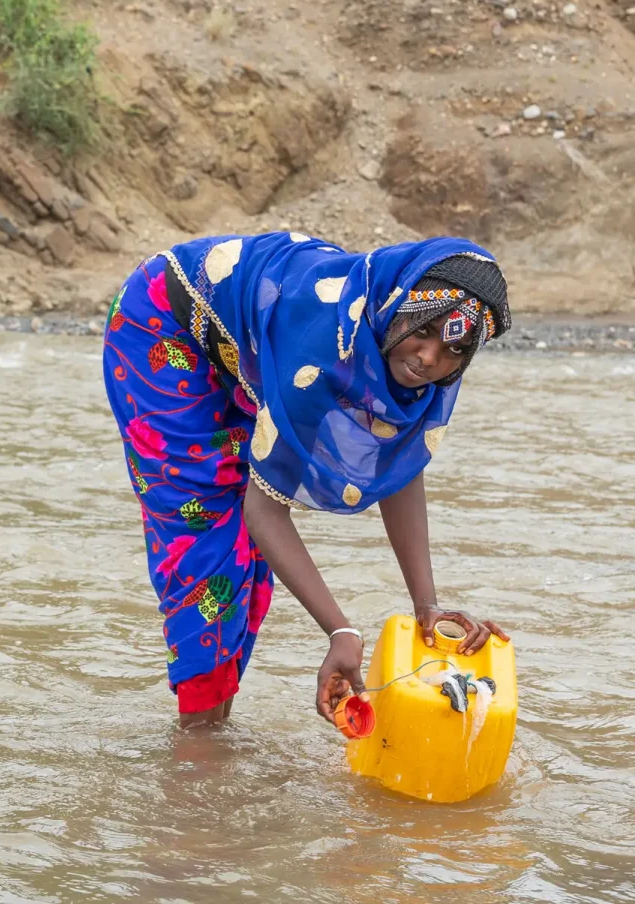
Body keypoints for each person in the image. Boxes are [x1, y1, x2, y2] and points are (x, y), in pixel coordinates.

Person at [102, 231, 512, 729]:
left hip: (243, 346)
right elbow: (264, 509)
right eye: (420, 331)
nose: (429, 358)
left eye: (452, 350)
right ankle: (197, 757)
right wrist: (340, 631)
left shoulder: (422, 366)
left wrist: (425, 603)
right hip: (163, 323)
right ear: (396, 305)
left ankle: (214, 732)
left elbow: (400, 462)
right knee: (209, 545)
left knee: (251, 565)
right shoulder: (324, 353)